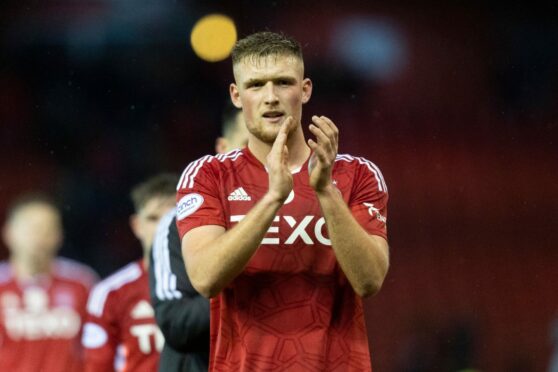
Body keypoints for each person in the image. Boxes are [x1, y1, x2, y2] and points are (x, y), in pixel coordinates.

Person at [176, 31, 390, 371]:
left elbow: (369, 280)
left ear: (305, 90)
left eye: (283, 83)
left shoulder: (356, 175)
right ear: (236, 95)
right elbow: (205, 277)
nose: (271, 97)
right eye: (256, 85)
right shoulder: (207, 176)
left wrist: (326, 193)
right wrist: (274, 196)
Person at [149, 106, 249, 372]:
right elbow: (175, 323)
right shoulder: (177, 224)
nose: (258, 160)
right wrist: (251, 289)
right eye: (245, 147)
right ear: (222, 147)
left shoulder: (302, 213)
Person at [81, 174, 177, 371]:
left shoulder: (210, 283)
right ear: (136, 226)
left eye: (173, 217)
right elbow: (98, 366)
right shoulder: (110, 293)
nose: (163, 227)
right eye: (153, 218)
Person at [0, 193, 98, 371]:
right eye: (32, 228)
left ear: (59, 235)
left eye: (48, 228)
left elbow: (99, 345)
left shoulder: (82, 282)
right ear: (8, 232)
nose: (40, 236)